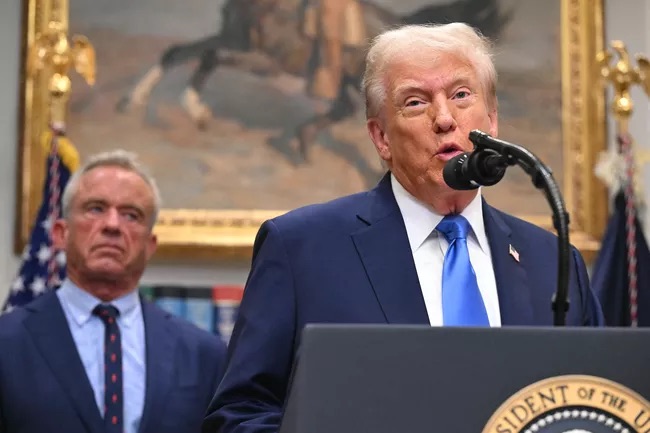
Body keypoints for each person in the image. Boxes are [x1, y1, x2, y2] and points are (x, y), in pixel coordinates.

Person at [202, 23, 604, 433]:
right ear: (381, 138)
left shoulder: (552, 262)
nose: (444, 118)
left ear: (493, 119)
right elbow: (240, 414)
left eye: (461, 95)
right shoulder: (301, 249)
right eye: (415, 102)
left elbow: (599, 404)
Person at [0, 150, 228, 433]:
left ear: (150, 245)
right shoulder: (7, 342)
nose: (112, 225)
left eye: (131, 215)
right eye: (96, 209)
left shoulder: (203, 354)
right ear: (61, 234)